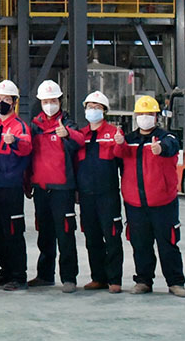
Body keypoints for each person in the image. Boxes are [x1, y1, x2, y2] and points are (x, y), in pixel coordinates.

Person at [113, 96, 185, 298]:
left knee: (168, 244)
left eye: (149, 114)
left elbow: (172, 146)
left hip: (163, 203)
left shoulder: (166, 137)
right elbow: (118, 156)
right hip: (135, 203)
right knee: (140, 244)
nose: (145, 117)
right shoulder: (129, 140)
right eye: (141, 114)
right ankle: (143, 281)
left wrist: (160, 148)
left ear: (156, 116)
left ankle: (175, 282)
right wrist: (119, 144)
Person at [28, 79, 85, 293]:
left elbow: (80, 142)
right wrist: (28, 182)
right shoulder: (34, 126)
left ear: (60, 101)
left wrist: (67, 134)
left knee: (66, 234)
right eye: (46, 101)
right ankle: (45, 275)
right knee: (45, 234)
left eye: (53, 101)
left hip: (63, 189)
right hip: (41, 188)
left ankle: (69, 277)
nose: (49, 105)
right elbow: (28, 155)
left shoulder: (68, 125)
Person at [0, 80, 32, 291]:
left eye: (6, 99)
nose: (1, 102)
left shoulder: (20, 127)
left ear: (14, 102)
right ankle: (5, 271)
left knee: (13, 232)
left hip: (11, 187)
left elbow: (27, 148)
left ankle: (18, 276)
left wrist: (15, 142)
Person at [76, 90, 124, 293]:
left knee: (112, 237)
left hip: (108, 195)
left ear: (104, 111)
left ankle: (114, 279)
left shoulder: (114, 134)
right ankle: (98, 278)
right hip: (86, 195)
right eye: (90, 107)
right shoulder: (81, 136)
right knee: (92, 237)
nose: (93, 110)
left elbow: (123, 160)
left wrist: (120, 144)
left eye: (97, 107)